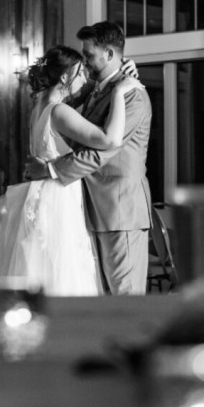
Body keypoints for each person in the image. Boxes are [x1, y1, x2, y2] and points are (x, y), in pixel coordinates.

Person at [0, 45, 142, 295]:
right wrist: (119, 92)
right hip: (59, 201)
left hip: (43, 195)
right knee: (65, 272)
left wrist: (121, 68)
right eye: (80, 72)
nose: (85, 77)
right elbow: (109, 140)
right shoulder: (59, 111)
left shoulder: (40, 107)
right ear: (65, 77)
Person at [29, 22, 154, 295]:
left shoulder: (132, 95)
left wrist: (51, 169)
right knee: (103, 298)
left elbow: (103, 151)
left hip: (120, 211)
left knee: (126, 298)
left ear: (109, 54)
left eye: (89, 55)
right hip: (92, 209)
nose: (84, 62)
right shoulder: (96, 91)